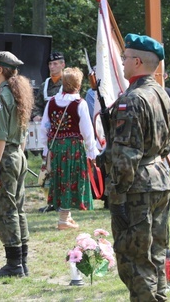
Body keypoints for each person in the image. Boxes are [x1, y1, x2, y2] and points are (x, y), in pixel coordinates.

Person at [106, 34, 170, 301]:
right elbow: (167, 144)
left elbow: (126, 153)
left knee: (134, 258)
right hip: (159, 177)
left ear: (137, 61)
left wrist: (117, 194)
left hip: (136, 185)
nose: (122, 63)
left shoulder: (132, 99)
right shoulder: (162, 94)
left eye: (124, 58)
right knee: (155, 252)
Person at [0, 51, 34, 279]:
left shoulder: (0, 96)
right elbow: (22, 131)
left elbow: (0, 135)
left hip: (5, 156)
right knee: (18, 208)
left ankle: (14, 264)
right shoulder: (18, 93)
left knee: (4, 209)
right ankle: (21, 261)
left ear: (1, 69)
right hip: (18, 155)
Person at [38, 67, 98, 230]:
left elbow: (44, 127)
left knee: (60, 179)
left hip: (56, 146)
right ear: (78, 85)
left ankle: (67, 216)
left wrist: (46, 149)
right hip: (73, 148)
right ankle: (63, 220)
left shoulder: (51, 102)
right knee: (70, 179)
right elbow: (87, 131)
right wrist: (92, 151)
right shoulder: (80, 104)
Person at [33, 51, 65, 121]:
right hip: (45, 124)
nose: (51, 67)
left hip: (62, 124)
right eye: (50, 64)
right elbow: (38, 105)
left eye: (55, 64)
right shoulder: (44, 85)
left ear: (63, 65)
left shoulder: (68, 84)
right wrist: (37, 115)